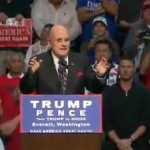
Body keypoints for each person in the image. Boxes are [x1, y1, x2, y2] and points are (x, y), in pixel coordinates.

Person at [20, 25, 109, 94]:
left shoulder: (81, 61)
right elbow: (26, 90)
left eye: (66, 40)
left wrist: (100, 76)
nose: (64, 44)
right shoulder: (39, 61)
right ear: (50, 42)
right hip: (46, 115)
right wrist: (30, 73)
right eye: (59, 40)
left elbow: (95, 89)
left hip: (75, 115)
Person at [102, 55, 150, 150]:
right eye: (123, 67)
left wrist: (130, 140)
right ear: (118, 69)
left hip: (138, 142)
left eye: (129, 67)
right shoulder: (109, 92)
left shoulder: (143, 91)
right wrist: (119, 142)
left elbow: (146, 121)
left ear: (134, 69)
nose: (125, 70)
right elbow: (106, 122)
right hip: (114, 142)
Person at [0, 52, 25, 150]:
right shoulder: (1, 81)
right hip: (6, 127)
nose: (16, 64)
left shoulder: (30, 80)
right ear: (7, 65)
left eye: (19, 61)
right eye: (13, 61)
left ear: (23, 64)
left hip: (25, 125)